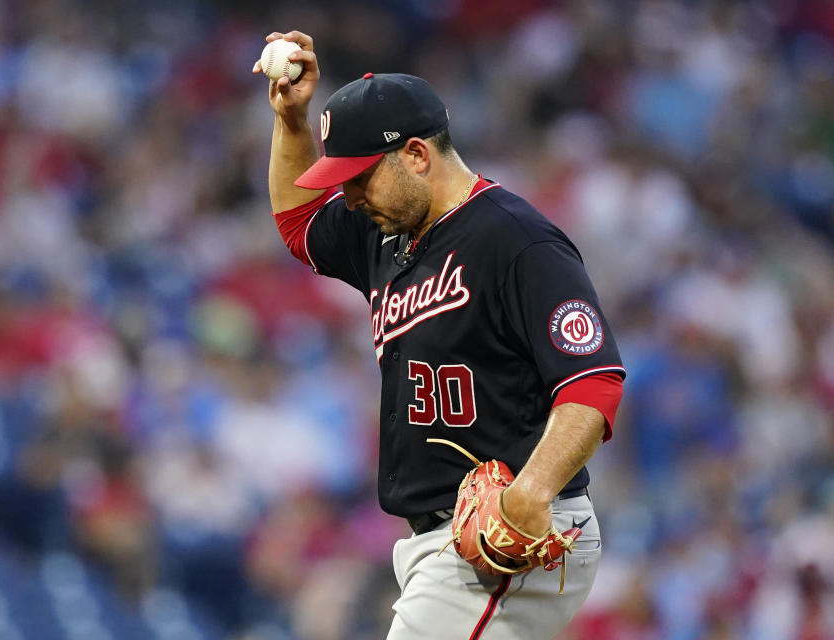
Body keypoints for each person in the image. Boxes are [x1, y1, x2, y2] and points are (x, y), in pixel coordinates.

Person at [255, 30, 626, 640]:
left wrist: (531, 491)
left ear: (417, 156)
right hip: (438, 540)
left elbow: (593, 382)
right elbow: (298, 222)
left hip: (509, 532)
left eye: (359, 177)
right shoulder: (384, 230)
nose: (346, 195)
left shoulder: (516, 239)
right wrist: (291, 121)